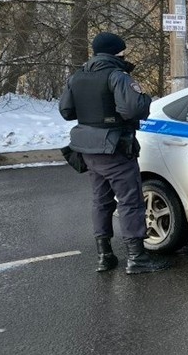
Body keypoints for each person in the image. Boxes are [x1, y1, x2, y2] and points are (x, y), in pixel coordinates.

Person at [59, 32, 168, 274]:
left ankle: (104, 256)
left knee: (101, 200)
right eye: (122, 51)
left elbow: (66, 111)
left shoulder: (77, 77)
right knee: (130, 201)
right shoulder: (117, 76)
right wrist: (144, 98)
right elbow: (132, 109)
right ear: (117, 52)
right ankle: (137, 258)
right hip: (114, 148)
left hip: (87, 148)